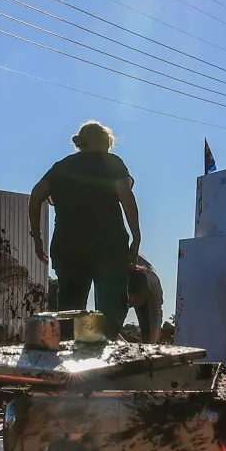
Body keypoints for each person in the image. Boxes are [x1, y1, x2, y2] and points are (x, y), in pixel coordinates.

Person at [29, 120, 140, 336]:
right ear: (104, 142)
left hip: (68, 249)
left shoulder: (61, 167)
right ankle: (103, 355)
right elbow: (126, 196)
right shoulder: (112, 163)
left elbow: (35, 196)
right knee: (111, 312)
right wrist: (136, 237)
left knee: (70, 313)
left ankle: (74, 361)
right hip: (109, 249)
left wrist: (37, 238)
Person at [126, 253, 163, 342]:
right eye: (132, 300)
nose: (134, 303)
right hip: (116, 274)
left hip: (146, 285)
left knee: (148, 329)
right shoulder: (114, 285)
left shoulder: (153, 285)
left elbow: (156, 315)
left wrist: (151, 347)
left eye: (138, 300)